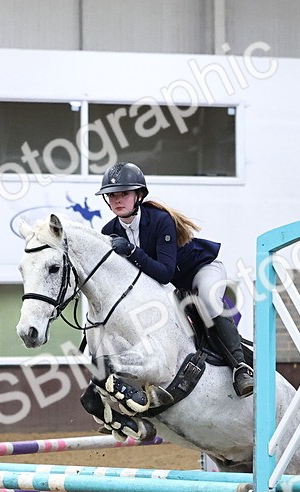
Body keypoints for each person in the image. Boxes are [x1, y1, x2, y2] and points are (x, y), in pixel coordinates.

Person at [95, 161, 255, 397]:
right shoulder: (109, 231)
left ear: (139, 196)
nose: (117, 200)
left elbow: (164, 273)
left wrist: (132, 251)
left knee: (208, 300)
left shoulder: (160, 220)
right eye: (112, 195)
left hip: (200, 270)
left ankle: (241, 368)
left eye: (124, 194)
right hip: (173, 287)